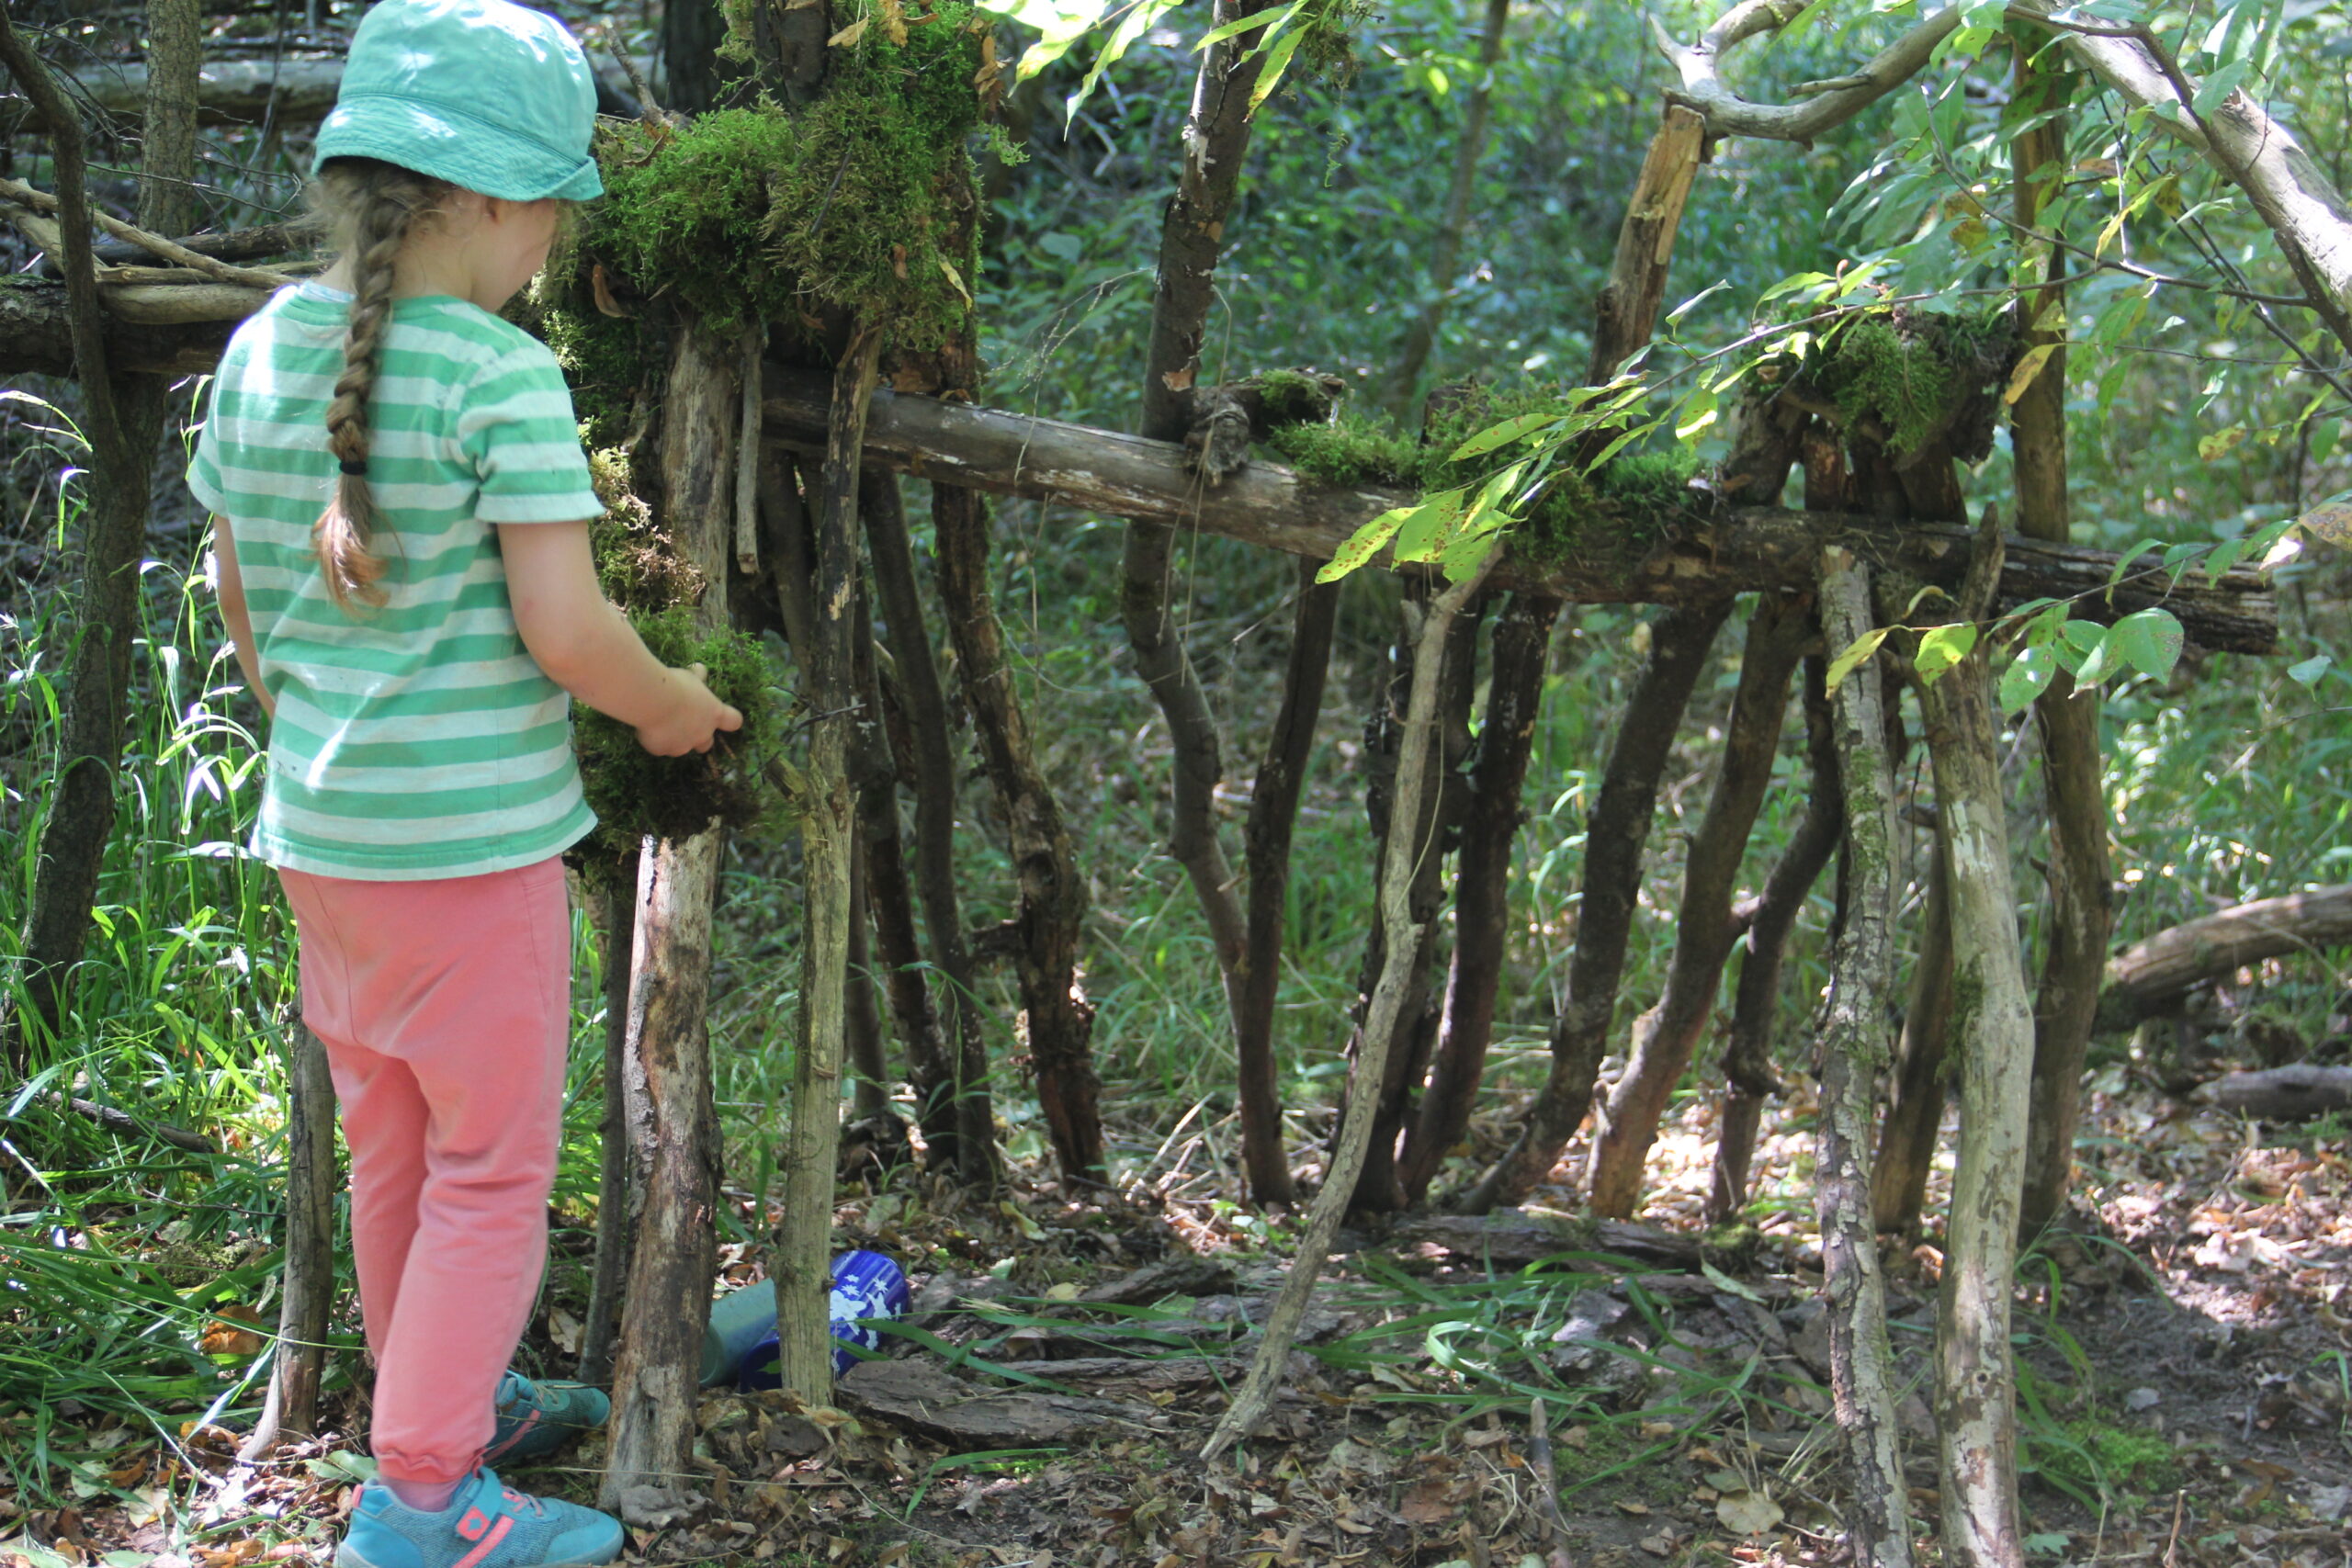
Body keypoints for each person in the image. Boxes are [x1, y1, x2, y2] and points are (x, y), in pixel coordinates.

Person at [186, 0, 741, 1562]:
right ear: (492, 199)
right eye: (553, 208)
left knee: (399, 1155)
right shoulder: (499, 378)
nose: (553, 243)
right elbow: (568, 629)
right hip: (472, 860)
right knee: (491, 1174)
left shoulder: (262, 347)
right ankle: (425, 1503)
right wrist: (673, 709)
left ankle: (440, 1412)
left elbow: (241, 605)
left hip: (324, 841)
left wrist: (329, 729)